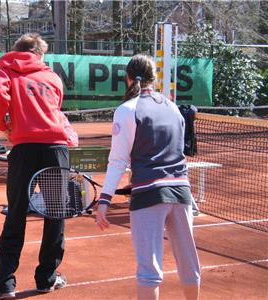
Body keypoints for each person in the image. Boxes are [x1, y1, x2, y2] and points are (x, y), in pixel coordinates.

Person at [95, 54, 201, 300]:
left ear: (128, 78)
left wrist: (104, 200)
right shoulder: (173, 108)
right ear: (155, 78)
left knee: (149, 270)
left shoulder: (126, 110)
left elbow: (118, 161)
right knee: (188, 262)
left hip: (149, 193)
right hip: (182, 191)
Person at [0, 33, 77, 299]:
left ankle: (4, 285)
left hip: (24, 148)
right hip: (55, 148)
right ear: (40, 53)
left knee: (16, 214)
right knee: (55, 214)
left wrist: (4, 125)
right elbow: (56, 109)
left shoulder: (8, 69)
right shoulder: (52, 77)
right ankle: (47, 278)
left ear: (18, 50)